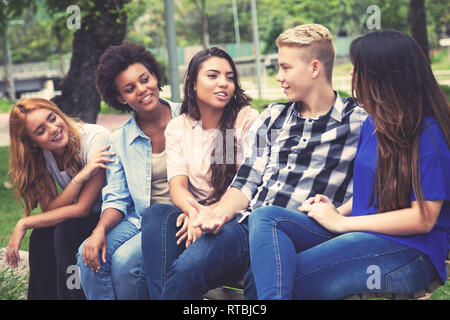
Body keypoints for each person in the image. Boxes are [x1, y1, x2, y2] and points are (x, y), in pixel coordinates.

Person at [144, 24, 367, 300]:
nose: (279, 78)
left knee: (257, 282)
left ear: (314, 68)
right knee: (186, 272)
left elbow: (372, 186)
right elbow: (247, 181)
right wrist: (216, 214)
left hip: (302, 230)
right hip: (247, 224)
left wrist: (340, 213)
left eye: (285, 68)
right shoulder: (274, 116)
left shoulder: (358, 120)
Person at [248, 29, 450, 300]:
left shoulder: (427, 132)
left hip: (409, 251)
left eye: (358, 69)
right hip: (364, 235)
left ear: (383, 75)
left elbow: (423, 218)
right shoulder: (374, 122)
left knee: (280, 276)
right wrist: (335, 210)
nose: (352, 76)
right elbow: (373, 193)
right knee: (267, 218)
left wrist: (341, 224)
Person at [138, 47, 259, 299]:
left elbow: (248, 187)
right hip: (195, 216)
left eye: (229, 77)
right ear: (193, 84)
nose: (223, 83)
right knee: (156, 215)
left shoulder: (245, 120)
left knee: (157, 271)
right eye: (213, 76)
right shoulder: (179, 126)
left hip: (233, 221)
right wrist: (194, 214)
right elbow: (177, 187)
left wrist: (207, 217)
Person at [76, 42, 181, 300]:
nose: (142, 90)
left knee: (124, 262)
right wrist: (98, 231)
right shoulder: (120, 139)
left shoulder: (189, 116)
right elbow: (117, 197)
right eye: (130, 89)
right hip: (141, 218)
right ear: (121, 98)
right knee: (87, 255)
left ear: (155, 77)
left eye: (145, 80)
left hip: (179, 217)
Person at [5, 97, 111, 300]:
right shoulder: (42, 156)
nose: (53, 129)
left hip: (113, 213)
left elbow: (82, 208)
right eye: (40, 131)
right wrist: (79, 178)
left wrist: (24, 223)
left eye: (52, 118)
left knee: (65, 232)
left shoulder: (96, 138)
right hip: (88, 215)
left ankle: (73, 296)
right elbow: (50, 209)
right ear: (32, 143)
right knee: (40, 236)